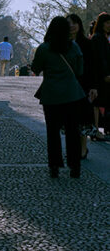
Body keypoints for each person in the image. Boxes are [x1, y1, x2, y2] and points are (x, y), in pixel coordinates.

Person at [31, 15, 86, 178]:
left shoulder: (44, 48)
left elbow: (36, 68)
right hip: (72, 95)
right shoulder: (74, 47)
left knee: (53, 132)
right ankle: (75, 166)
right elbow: (80, 70)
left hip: (51, 96)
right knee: (73, 132)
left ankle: (54, 166)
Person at [67, 12, 96, 158]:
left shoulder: (86, 43)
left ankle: (83, 149)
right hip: (67, 86)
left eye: (74, 23)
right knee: (69, 120)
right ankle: (73, 148)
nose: (72, 26)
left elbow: (93, 66)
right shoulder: (62, 44)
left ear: (79, 25)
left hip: (83, 85)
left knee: (83, 119)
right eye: (69, 23)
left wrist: (93, 86)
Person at [89, 11, 110, 141]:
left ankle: (97, 129)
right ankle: (95, 130)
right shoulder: (99, 38)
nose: (109, 25)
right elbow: (100, 59)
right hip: (99, 76)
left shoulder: (101, 37)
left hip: (101, 75)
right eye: (107, 23)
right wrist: (106, 74)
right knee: (96, 103)